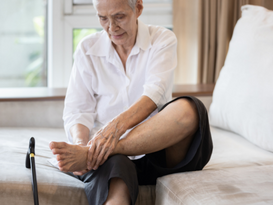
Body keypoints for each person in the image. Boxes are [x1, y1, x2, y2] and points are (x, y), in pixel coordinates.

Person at [49, 0, 213, 204]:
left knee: (191, 108)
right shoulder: (87, 49)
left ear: (138, 9)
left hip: (158, 151)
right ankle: (98, 153)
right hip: (111, 162)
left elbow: (154, 96)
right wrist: (81, 144)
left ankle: (98, 151)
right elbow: (77, 110)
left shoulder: (162, 39)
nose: (111, 27)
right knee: (117, 180)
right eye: (103, 18)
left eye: (119, 17)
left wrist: (109, 136)